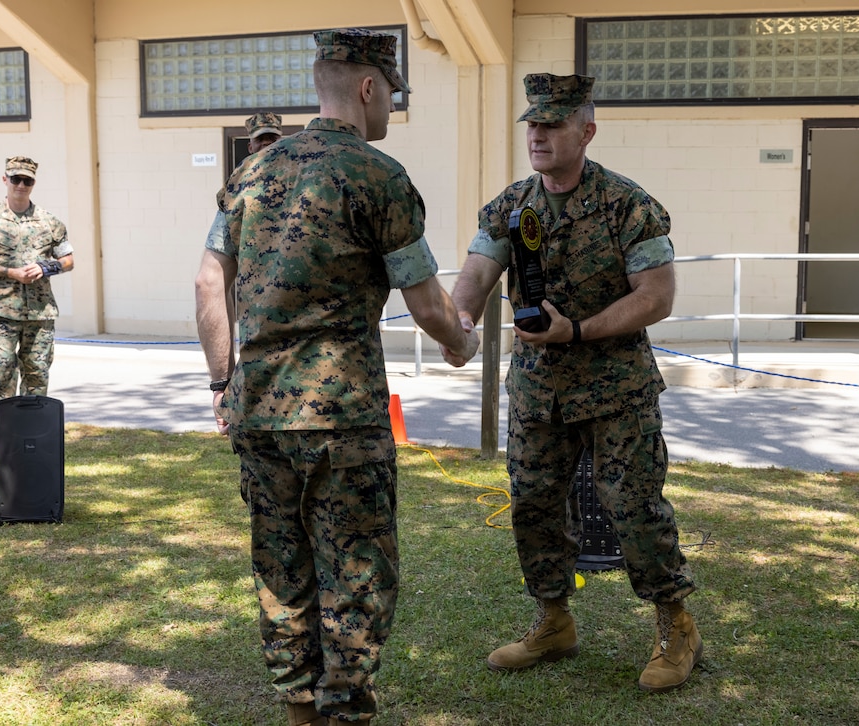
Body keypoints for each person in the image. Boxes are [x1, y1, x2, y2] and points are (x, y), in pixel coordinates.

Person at [195, 28, 479, 726]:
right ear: (367, 87)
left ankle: (299, 709)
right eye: (393, 94)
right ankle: (345, 711)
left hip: (260, 414)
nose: (392, 108)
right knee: (354, 573)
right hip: (341, 419)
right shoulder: (378, 176)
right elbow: (424, 299)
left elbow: (209, 282)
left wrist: (222, 382)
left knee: (282, 571)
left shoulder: (251, 174)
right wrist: (461, 342)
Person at [445, 73, 702, 694]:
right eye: (532, 123)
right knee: (534, 508)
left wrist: (578, 331)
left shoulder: (629, 205)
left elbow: (657, 297)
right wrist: (457, 323)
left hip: (616, 390)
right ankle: (553, 621)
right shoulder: (510, 207)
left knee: (632, 508)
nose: (538, 134)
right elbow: (477, 275)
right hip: (537, 394)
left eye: (552, 124)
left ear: (586, 131)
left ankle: (676, 625)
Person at [0, 156, 74, 460]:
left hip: (40, 314)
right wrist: (10, 272)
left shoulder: (49, 221)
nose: (21, 185)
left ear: (33, 183)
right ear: (5, 180)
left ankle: (32, 436)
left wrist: (45, 266)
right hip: (1, 313)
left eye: (27, 181)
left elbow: (69, 260)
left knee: (37, 374)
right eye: (16, 179)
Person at [197, 111, 285, 381]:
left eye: (273, 138)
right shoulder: (236, 188)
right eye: (261, 140)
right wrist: (223, 379)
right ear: (250, 146)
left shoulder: (305, 179)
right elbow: (210, 282)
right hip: (260, 332)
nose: (267, 144)